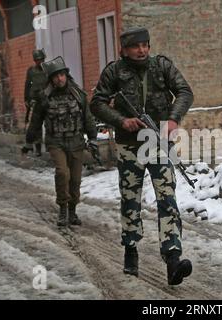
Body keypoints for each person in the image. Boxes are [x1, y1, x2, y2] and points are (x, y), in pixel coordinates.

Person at [90, 27, 194, 285]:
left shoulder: (162, 66)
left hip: (158, 143)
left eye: (145, 45)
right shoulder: (114, 72)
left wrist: (173, 119)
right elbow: (97, 103)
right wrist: (121, 120)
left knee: (167, 198)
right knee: (130, 199)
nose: (142, 50)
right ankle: (130, 249)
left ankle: (172, 258)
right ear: (124, 49)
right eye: (136, 46)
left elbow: (184, 92)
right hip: (129, 146)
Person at [22, 56, 98, 227]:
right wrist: (29, 142)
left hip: (76, 141)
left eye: (62, 74)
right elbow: (35, 121)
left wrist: (93, 138)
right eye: (56, 76)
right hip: (56, 142)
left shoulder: (77, 94)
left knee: (76, 179)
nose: (60, 78)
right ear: (51, 78)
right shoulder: (45, 97)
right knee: (63, 173)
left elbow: (87, 117)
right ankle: (62, 209)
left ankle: (72, 211)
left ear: (66, 75)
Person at [24, 49, 47, 157]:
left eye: (41, 59)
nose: (39, 62)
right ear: (34, 60)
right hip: (36, 101)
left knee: (51, 124)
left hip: (47, 100)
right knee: (36, 126)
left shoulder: (48, 69)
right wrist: (27, 99)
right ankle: (37, 148)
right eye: (37, 60)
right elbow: (27, 85)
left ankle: (51, 146)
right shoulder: (31, 71)